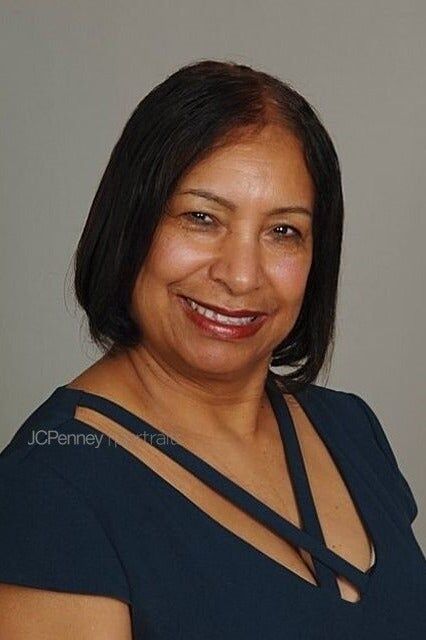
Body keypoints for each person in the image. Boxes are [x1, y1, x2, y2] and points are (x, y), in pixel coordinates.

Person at [0, 60, 425, 640]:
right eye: (201, 218)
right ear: (130, 224)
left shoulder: (352, 430)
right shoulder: (52, 487)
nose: (242, 275)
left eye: (283, 231)